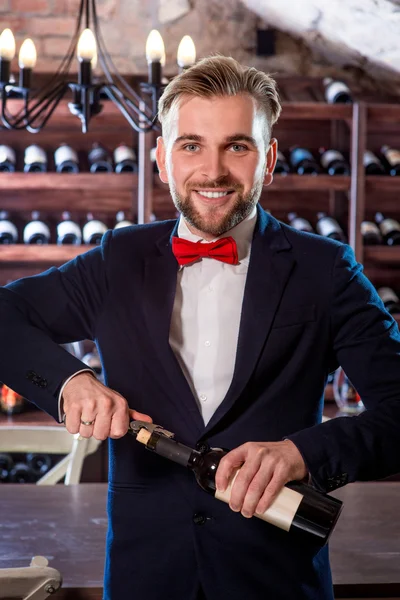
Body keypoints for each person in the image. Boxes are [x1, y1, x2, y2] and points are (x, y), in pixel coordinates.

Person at [1, 55, 400, 600]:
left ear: (270, 160)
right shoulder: (119, 259)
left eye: (238, 145)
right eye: (191, 145)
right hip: (148, 580)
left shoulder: (325, 270)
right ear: (162, 158)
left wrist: (303, 453)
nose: (213, 171)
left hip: (276, 583)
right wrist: (70, 381)